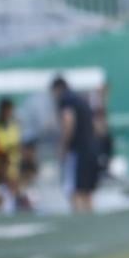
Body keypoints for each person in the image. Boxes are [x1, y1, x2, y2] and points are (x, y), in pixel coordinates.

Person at [50, 77, 98, 214]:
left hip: (77, 150)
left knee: (74, 189)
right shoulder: (81, 99)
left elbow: (68, 122)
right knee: (86, 191)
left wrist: (63, 146)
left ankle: (78, 219)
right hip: (90, 147)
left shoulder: (66, 100)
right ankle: (88, 220)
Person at [0, 97, 27, 211]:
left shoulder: (15, 125)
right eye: (7, 110)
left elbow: (19, 143)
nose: (9, 113)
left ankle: (12, 207)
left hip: (13, 163)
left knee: (13, 189)